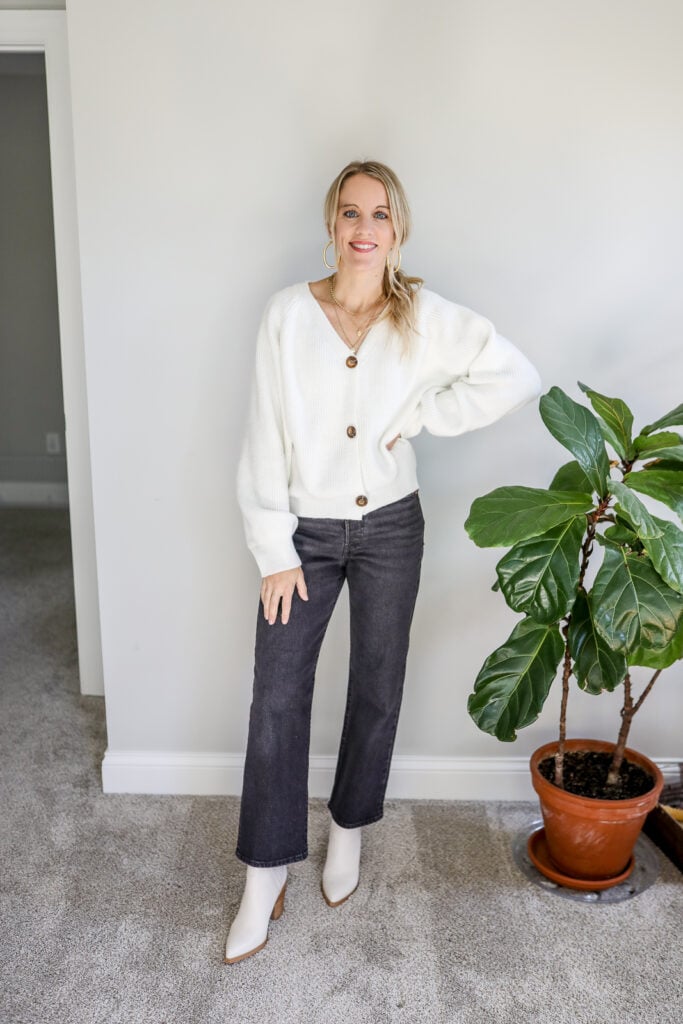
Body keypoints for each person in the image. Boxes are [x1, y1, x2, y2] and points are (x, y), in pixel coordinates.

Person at [225, 160, 541, 963]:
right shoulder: (287, 316)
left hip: (392, 529)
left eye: (380, 216)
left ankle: (348, 829)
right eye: (349, 213)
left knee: (377, 685)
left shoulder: (422, 316)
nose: (364, 230)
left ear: (398, 229)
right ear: (329, 224)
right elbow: (264, 435)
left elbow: (514, 375)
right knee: (277, 694)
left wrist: (425, 415)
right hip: (305, 534)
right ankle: (264, 873)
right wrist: (272, 546)